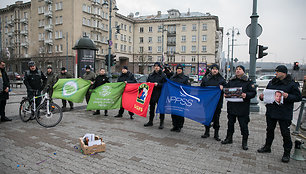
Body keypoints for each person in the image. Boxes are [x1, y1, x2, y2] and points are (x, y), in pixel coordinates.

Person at [257, 65, 302, 163]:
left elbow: (298, 97)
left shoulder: (292, 84)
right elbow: (267, 94)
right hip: (272, 111)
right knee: (269, 130)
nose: (275, 73)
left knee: (285, 133)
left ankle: (286, 153)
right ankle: (267, 146)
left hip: (284, 112)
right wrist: (262, 97)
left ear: (284, 73)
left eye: (277, 72)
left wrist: (288, 96)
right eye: (275, 71)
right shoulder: (272, 82)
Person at [221, 65, 256, 151]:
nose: (238, 70)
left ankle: (244, 142)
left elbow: (253, 93)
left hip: (242, 108)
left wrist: (246, 95)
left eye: (240, 69)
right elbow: (227, 89)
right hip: (232, 107)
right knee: (230, 124)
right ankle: (229, 138)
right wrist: (224, 92)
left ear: (243, 71)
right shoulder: (231, 81)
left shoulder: (248, 82)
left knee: (243, 125)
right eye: (236, 69)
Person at [200, 64, 226, 141]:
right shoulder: (206, 78)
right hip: (207, 102)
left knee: (216, 118)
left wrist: (223, 88)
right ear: (211, 70)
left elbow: (227, 89)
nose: (215, 70)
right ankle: (206, 132)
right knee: (207, 117)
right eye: (213, 69)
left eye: (216, 69)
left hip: (217, 103)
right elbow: (202, 88)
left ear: (218, 70)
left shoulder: (221, 79)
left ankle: (216, 134)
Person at [144, 62, 167, 129]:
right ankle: (150, 121)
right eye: (155, 66)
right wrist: (148, 83)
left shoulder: (163, 75)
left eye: (158, 66)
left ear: (160, 67)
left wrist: (158, 84)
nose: (156, 67)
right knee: (151, 109)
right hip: (152, 94)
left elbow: (165, 85)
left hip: (160, 94)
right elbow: (147, 83)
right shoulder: (151, 75)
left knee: (161, 109)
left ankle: (161, 122)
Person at [170, 64, 190, 132]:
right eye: (178, 69)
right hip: (174, 98)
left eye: (180, 69)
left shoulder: (185, 78)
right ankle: (174, 125)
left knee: (180, 112)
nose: (179, 70)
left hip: (181, 98)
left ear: (182, 70)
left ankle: (179, 126)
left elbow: (188, 89)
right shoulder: (172, 78)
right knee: (173, 112)